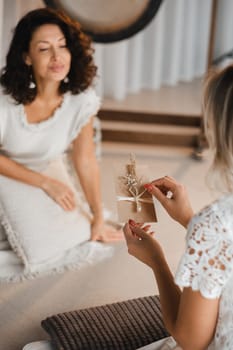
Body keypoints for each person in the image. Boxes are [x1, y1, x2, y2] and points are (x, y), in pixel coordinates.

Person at [124, 65, 233, 350]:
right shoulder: (214, 224)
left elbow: (191, 340)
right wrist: (188, 219)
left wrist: (156, 261)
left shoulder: (216, 223)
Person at [0, 7, 122, 243]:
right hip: (6, 172)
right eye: (44, 49)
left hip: (46, 169)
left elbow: (85, 160)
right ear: (27, 57)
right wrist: (45, 183)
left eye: (62, 45)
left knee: (80, 233)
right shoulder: (5, 99)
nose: (57, 56)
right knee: (31, 242)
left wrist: (97, 215)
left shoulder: (80, 99)